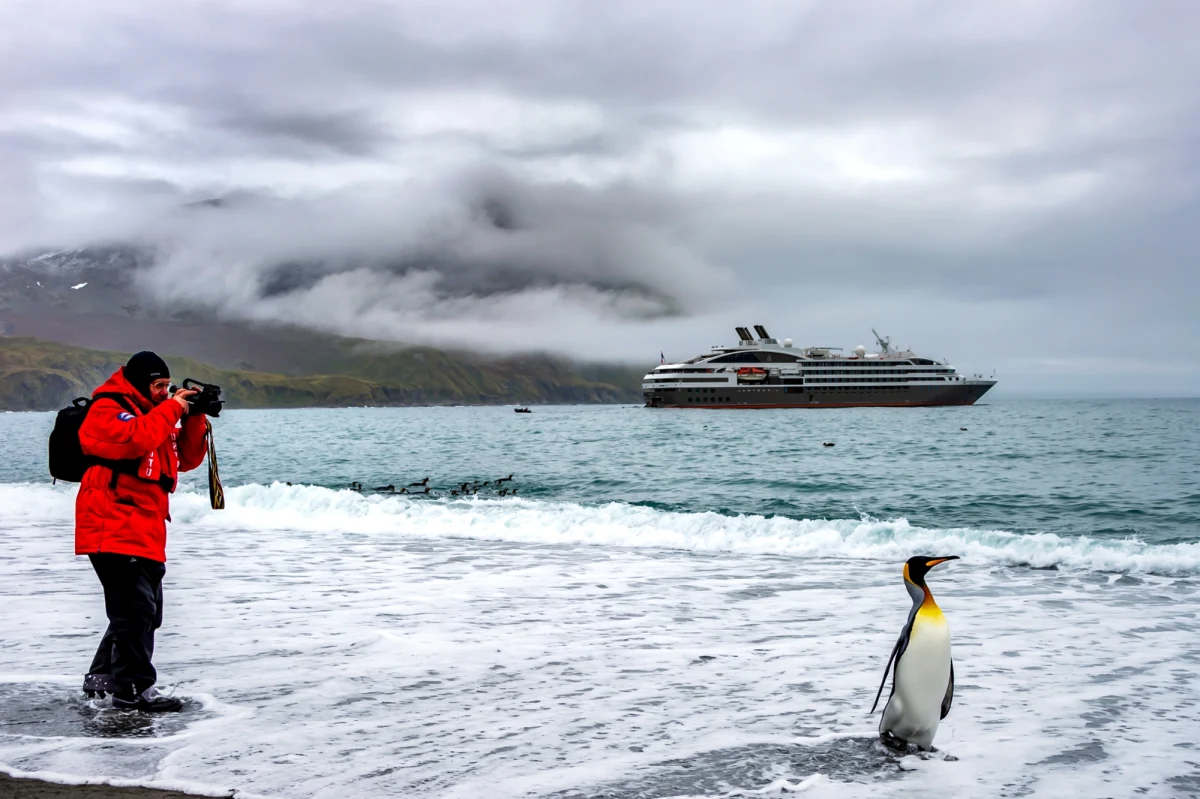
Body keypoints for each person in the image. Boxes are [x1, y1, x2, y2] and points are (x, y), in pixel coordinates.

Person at [76, 351, 208, 712]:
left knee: (144, 613)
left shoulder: (155, 413)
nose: (165, 392)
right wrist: (173, 409)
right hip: (111, 522)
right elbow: (135, 440)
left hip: (145, 527)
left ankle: (102, 680)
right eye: (158, 386)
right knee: (135, 612)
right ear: (138, 383)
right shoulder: (108, 408)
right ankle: (132, 691)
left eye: (168, 386)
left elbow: (187, 460)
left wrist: (193, 417)